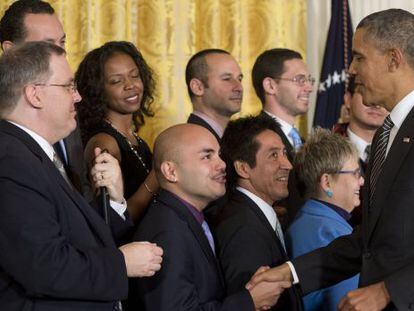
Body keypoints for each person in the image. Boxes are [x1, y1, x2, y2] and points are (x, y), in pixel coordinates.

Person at [247, 9, 414, 311]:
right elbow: (369, 241)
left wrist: (389, 292)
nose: (350, 69)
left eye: (360, 58)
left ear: (393, 59)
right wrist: (290, 273)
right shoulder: (384, 136)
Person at [0, 41, 163, 310]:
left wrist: (115, 199)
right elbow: (44, 266)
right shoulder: (10, 160)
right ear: (35, 95)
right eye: (68, 86)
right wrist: (121, 263)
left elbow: (77, 236)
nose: (77, 97)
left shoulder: (31, 154)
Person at [132, 123, 291, 310]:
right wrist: (249, 301)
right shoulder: (167, 233)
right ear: (171, 171)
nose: (222, 165)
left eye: (219, 155)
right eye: (207, 156)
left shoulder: (187, 220)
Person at [0, 0, 91, 199]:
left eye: (62, 43)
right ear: (10, 50)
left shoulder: (65, 100)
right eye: (47, 45)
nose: (61, 53)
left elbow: (80, 189)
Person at [212, 115, 303, 310]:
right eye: (273, 155)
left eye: (284, 153)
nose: (287, 164)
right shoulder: (243, 230)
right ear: (243, 168)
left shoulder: (253, 215)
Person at [76, 41, 158, 224]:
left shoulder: (135, 139)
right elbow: (109, 220)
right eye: (116, 81)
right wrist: (155, 179)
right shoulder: (104, 143)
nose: (131, 85)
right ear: (98, 90)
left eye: (135, 76)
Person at [285, 128, 361, 311]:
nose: (362, 181)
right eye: (356, 174)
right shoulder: (330, 232)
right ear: (327, 182)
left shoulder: (310, 221)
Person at [252, 48, 314, 225]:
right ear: (270, 86)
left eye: (309, 80)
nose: (308, 87)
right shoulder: (256, 137)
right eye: (299, 80)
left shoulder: (301, 141)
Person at [333, 76, 388, 226]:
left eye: (382, 96)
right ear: (348, 99)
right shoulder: (326, 151)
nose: (375, 103)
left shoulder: (403, 151)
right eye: (366, 93)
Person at [185, 49, 243, 141]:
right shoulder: (193, 142)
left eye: (239, 79)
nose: (239, 88)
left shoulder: (237, 138)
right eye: (227, 79)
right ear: (198, 87)